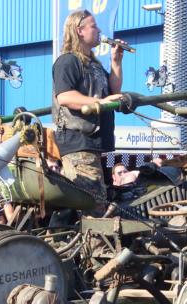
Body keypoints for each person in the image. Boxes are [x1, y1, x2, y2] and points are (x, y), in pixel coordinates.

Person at [52, 9, 125, 215]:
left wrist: (116, 63)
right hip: (79, 142)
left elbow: (113, 93)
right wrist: (99, 102)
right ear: (79, 31)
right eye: (94, 26)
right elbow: (65, 96)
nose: (99, 30)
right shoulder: (68, 61)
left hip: (95, 144)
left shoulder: (93, 64)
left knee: (99, 203)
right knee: (94, 206)